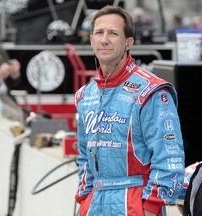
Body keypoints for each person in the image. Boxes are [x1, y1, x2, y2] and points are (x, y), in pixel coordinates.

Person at [74, 5, 185, 216]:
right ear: (91, 40)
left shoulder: (151, 90)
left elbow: (170, 155)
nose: (104, 39)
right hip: (94, 203)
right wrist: (84, 197)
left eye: (113, 33)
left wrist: (151, 207)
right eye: (99, 32)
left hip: (135, 202)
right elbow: (83, 157)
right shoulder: (85, 95)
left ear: (128, 43)